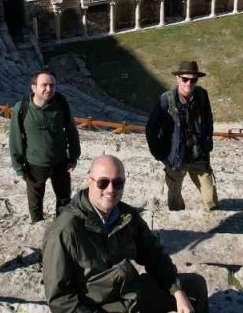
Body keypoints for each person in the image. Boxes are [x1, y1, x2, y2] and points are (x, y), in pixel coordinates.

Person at [42, 154, 208, 313]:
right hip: (97, 306)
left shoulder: (126, 216)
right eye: (103, 182)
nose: (110, 189)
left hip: (129, 293)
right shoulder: (65, 230)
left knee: (195, 288)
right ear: (89, 181)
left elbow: (154, 255)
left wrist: (177, 291)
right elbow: (60, 299)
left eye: (118, 183)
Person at [8, 69, 81, 222]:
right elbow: (16, 138)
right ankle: (37, 227)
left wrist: (73, 156)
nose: (49, 89)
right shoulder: (21, 108)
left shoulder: (61, 103)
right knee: (35, 203)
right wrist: (19, 167)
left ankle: (61, 227)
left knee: (63, 199)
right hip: (35, 164)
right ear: (34, 88)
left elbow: (71, 129)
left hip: (60, 161)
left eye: (52, 85)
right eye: (44, 85)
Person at [145, 61, 218, 211]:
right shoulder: (166, 100)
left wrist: (208, 143)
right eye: (185, 79)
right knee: (174, 197)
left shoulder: (202, 96)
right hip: (176, 159)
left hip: (198, 156)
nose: (189, 83)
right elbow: (151, 128)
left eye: (193, 80)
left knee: (211, 199)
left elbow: (208, 120)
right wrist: (158, 153)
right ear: (178, 78)